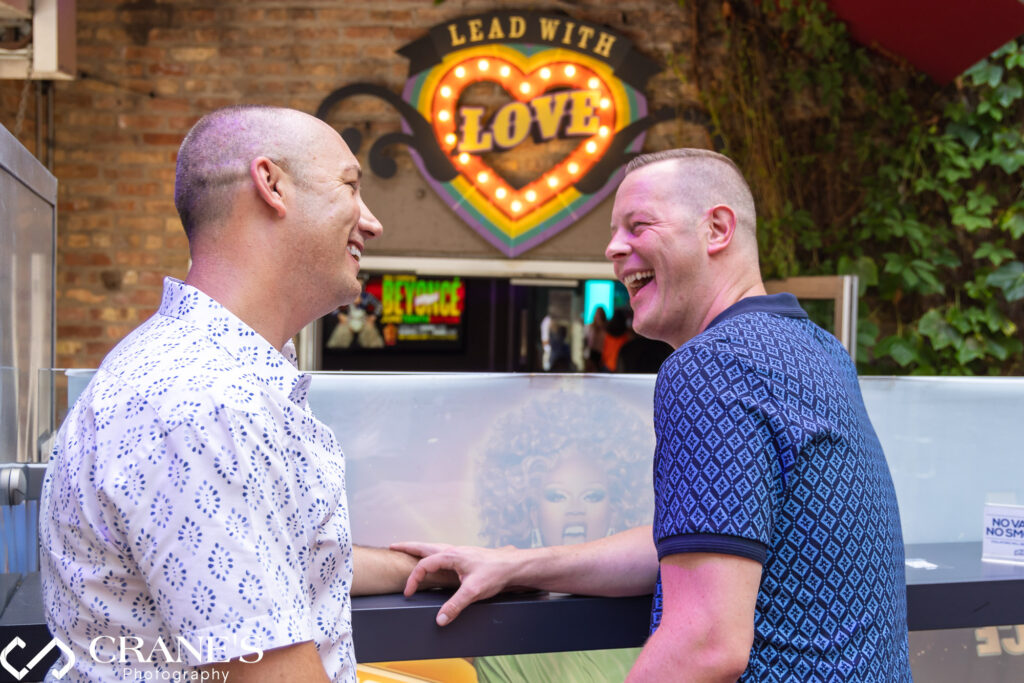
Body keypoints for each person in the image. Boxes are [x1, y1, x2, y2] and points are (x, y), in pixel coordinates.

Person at [395, 149, 912, 681]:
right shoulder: (816, 348)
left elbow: (707, 641)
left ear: (716, 229)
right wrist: (519, 564)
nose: (613, 248)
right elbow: (704, 537)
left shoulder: (711, 364)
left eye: (637, 225)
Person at [39, 105, 443, 682]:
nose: (371, 221)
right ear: (271, 184)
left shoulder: (217, 377)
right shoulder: (202, 399)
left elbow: (267, 554)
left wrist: (424, 567)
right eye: (351, 187)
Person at [473, 396, 652, 682]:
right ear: (532, 512)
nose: (575, 510)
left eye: (592, 496)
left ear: (616, 508)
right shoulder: (502, 633)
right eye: (557, 496)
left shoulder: (651, 608)